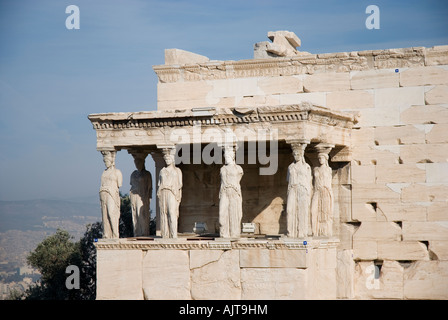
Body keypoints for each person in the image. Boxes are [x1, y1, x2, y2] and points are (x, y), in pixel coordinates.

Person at [286, 144, 312, 238]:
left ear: (302, 155)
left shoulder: (307, 167)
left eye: (298, 154)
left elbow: (309, 181)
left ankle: (301, 233)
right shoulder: (290, 167)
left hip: (302, 189)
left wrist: (308, 193)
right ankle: (291, 232)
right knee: (290, 210)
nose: (296, 156)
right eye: (295, 154)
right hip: (292, 188)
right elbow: (288, 180)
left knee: (302, 210)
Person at [219, 146, 244, 238]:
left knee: (234, 214)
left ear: (233, 157)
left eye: (228, 157)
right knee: (222, 215)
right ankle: (224, 234)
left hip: (234, 191)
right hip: (224, 192)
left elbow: (238, 179)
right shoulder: (222, 169)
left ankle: (234, 234)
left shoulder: (238, 169)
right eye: (225, 157)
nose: (226, 159)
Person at [157, 149, 182, 238]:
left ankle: (173, 234)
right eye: (166, 159)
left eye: (169, 158)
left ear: (173, 159)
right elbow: (159, 184)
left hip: (172, 192)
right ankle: (165, 235)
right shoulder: (162, 171)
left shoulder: (177, 171)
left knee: (172, 212)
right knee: (164, 213)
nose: (167, 160)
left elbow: (180, 184)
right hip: (163, 192)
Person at [99, 151, 123, 239]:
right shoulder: (104, 172)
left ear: (112, 161)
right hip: (103, 194)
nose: (106, 163)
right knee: (104, 215)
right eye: (105, 162)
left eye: (107, 161)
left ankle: (115, 234)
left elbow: (119, 184)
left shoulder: (117, 172)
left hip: (112, 194)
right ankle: (106, 234)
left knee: (111, 212)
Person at [311, 152, 334, 237]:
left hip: (325, 191)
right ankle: (315, 231)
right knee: (314, 211)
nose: (320, 160)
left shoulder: (328, 169)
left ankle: (324, 232)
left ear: (326, 159)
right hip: (317, 191)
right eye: (319, 158)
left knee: (325, 212)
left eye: (322, 158)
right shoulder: (316, 169)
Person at [130, 153, 152, 237]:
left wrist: (148, 198)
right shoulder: (133, 174)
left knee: (142, 213)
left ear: (143, 163)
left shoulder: (147, 174)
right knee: (135, 214)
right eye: (136, 163)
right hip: (134, 195)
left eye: (138, 163)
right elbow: (131, 184)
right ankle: (137, 232)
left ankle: (144, 232)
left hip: (142, 196)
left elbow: (149, 187)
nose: (137, 165)